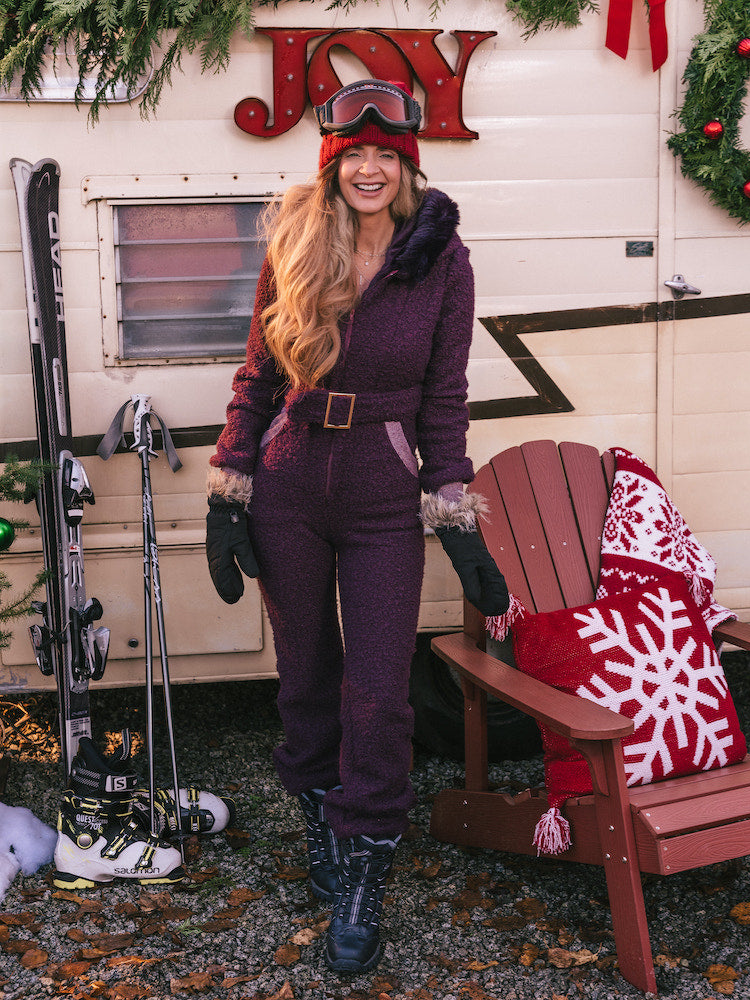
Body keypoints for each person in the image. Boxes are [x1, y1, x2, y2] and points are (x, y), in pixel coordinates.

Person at [205, 79, 509, 974]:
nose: (370, 169)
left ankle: (366, 863)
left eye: (387, 154)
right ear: (332, 164)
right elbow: (257, 377)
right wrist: (230, 488)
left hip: (382, 491)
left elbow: (444, 394)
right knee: (305, 673)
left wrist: (453, 510)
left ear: (407, 164)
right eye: (354, 155)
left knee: (378, 691)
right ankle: (323, 830)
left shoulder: (442, 260)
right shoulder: (296, 241)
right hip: (290, 481)